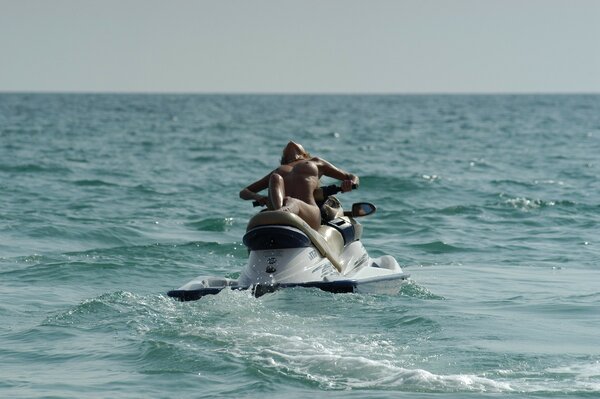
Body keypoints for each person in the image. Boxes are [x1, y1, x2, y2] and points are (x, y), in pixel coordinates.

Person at [239, 141, 359, 230]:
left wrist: (351, 183)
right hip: (282, 209)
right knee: (275, 178)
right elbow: (244, 192)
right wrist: (258, 197)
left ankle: (280, 214)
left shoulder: (316, 162)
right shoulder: (279, 170)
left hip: (308, 212)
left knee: (292, 201)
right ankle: (279, 213)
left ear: (305, 153)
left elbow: (352, 176)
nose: (290, 142)